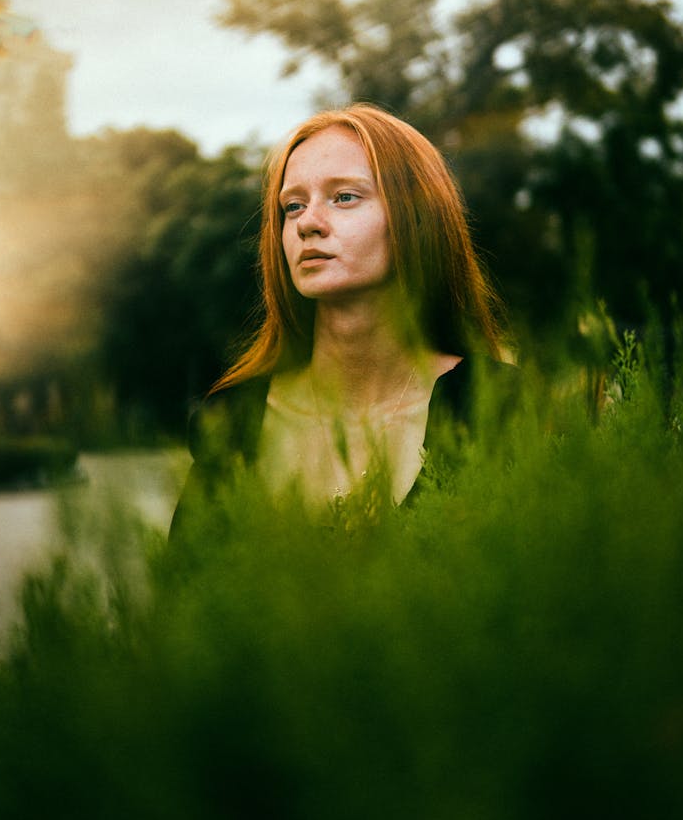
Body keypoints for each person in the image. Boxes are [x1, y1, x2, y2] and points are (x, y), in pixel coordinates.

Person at [170, 103, 515, 534]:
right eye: (293, 206)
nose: (307, 224)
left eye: (345, 197)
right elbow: (185, 594)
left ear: (418, 218)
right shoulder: (234, 422)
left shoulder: (494, 407)